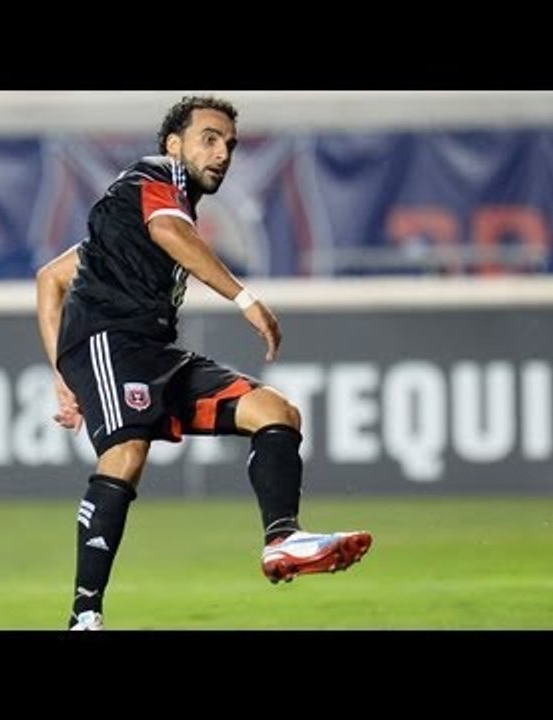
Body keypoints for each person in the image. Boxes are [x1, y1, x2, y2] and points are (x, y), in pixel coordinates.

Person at [35, 95, 372, 630]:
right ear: (174, 145)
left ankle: (282, 539)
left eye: (230, 145)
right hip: (108, 339)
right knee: (126, 450)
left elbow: (51, 277)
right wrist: (244, 299)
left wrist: (59, 374)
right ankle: (85, 616)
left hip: (156, 352)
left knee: (275, 412)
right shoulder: (155, 174)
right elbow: (171, 232)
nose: (222, 153)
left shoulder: (127, 218)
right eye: (209, 139)